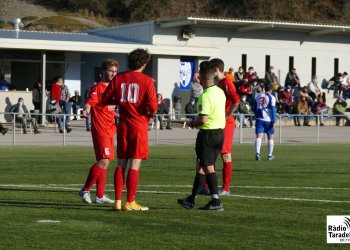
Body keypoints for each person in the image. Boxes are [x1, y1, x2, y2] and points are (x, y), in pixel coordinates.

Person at [102, 48, 157, 211]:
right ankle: (130, 201)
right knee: (135, 164)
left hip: (123, 125)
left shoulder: (119, 78)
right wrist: (147, 116)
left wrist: (120, 101)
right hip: (139, 125)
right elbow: (153, 107)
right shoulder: (147, 81)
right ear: (144, 63)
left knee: (121, 164)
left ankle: (118, 201)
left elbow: (105, 99)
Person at [177, 60, 226, 211]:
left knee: (208, 167)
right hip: (219, 133)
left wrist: (192, 123)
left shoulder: (204, 96)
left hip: (208, 135)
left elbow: (203, 119)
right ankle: (191, 200)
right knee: (201, 167)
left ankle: (216, 200)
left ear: (202, 79)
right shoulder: (219, 91)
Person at [79, 59, 119, 204]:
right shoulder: (98, 88)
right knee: (103, 161)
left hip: (110, 130)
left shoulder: (113, 88)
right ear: (103, 71)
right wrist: (86, 110)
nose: (113, 74)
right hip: (101, 130)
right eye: (110, 71)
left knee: (105, 163)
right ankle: (85, 190)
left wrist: (119, 115)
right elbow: (90, 102)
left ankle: (100, 196)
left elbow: (107, 109)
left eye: (115, 71)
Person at [209, 58, 240, 196]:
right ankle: (208, 186)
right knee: (213, 153)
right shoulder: (220, 84)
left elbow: (236, 101)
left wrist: (227, 116)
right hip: (219, 122)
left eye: (211, 70)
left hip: (226, 124)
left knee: (225, 155)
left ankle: (226, 189)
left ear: (216, 70)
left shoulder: (227, 83)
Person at [253, 83, 276, 161]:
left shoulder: (258, 96)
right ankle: (269, 155)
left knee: (259, 137)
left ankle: (257, 153)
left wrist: (257, 116)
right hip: (268, 120)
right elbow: (273, 110)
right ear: (271, 89)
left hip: (259, 119)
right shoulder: (272, 97)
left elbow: (254, 108)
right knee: (270, 138)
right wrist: (274, 122)